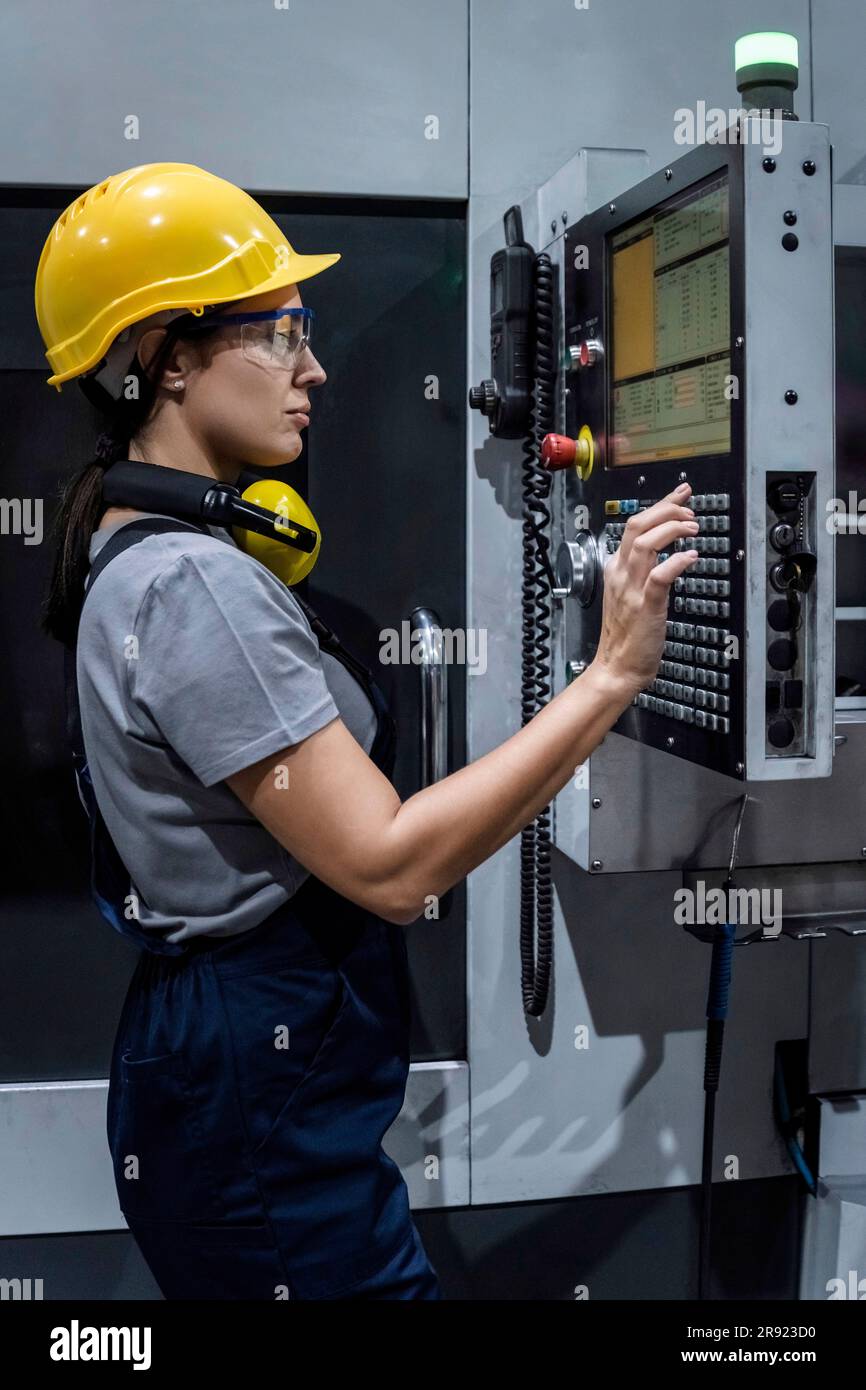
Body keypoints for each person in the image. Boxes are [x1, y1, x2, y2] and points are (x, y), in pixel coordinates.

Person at [35, 162, 699, 1300]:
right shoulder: (197, 587)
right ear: (167, 355)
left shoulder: (127, 544)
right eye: (280, 332)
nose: (314, 368)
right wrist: (608, 675)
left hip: (217, 1063)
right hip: (255, 1081)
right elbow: (391, 868)